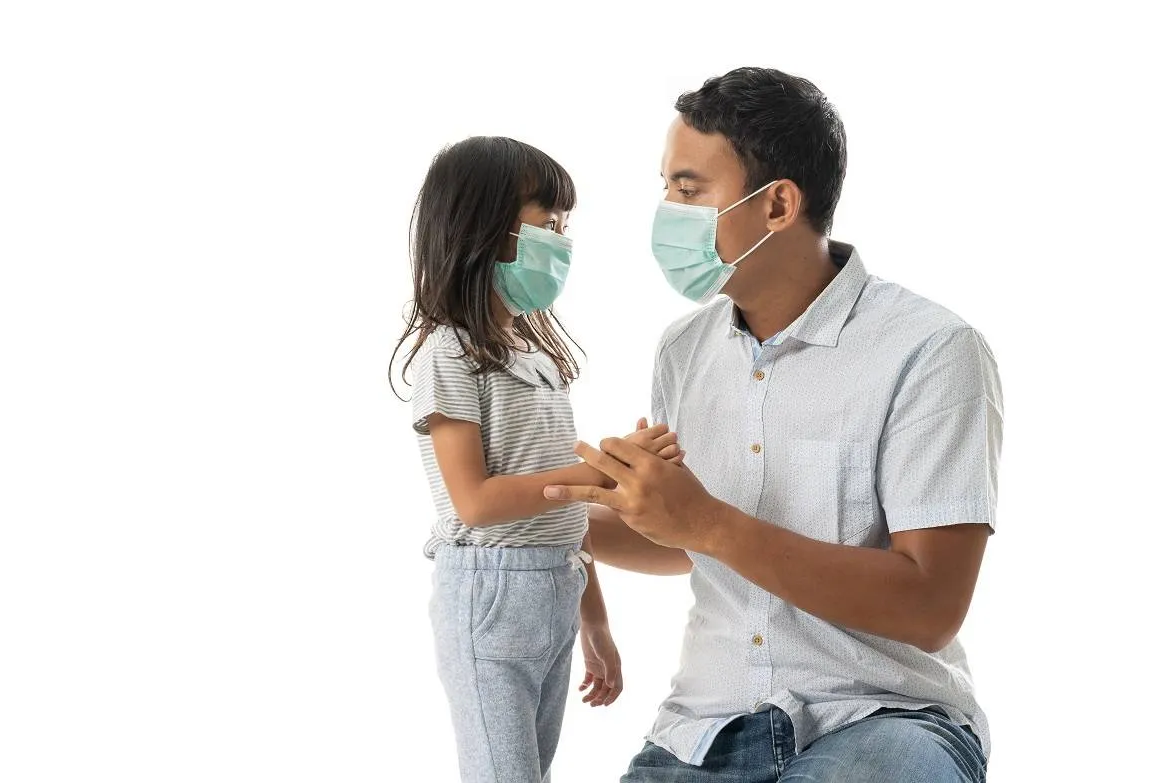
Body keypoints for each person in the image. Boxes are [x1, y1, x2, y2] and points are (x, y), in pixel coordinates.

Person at [545, 68, 1003, 782]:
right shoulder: (683, 349)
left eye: (689, 190)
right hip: (705, 728)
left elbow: (931, 604)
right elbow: (683, 543)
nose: (667, 210)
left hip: (883, 718)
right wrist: (553, 518)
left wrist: (706, 521)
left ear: (779, 204)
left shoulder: (931, 350)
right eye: (666, 186)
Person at [391, 136, 682, 783]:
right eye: (547, 222)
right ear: (485, 224)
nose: (561, 240)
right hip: (489, 594)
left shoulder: (540, 357)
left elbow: (567, 513)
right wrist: (600, 470)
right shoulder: (450, 353)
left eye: (565, 225)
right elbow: (477, 501)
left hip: (557, 584)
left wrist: (596, 621)